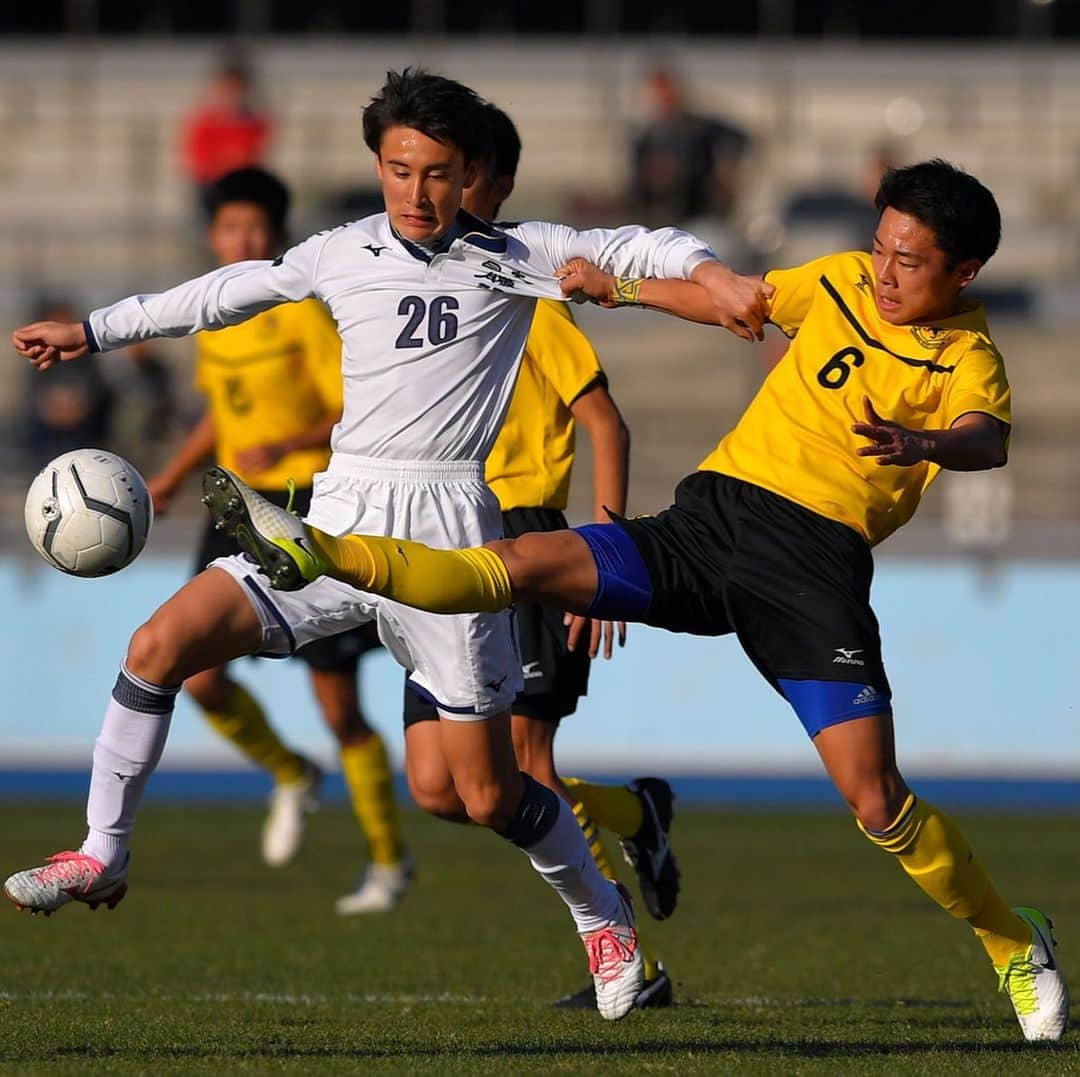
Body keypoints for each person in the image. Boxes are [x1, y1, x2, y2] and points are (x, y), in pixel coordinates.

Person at [210, 160, 1069, 1042]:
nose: (884, 271)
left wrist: (919, 438)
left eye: (910, 261)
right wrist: (619, 287)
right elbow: (736, 303)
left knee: (876, 798)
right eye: (882, 246)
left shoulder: (969, 358)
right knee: (519, 560)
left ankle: (1012, 939)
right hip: (712, 519)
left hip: (813, 568)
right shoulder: (841, 278)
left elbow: (984, 440)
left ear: (963, 273)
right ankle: (319, 548)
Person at [6, 68, 767, 1020]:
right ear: (379, 163)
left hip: (452, 544)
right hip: (333, 526)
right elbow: (227, 293)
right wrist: (94, 329)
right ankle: (102, 850)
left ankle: (606, 920)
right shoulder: (341, 251)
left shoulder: (517, 255)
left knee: (489, 796)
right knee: (157, 646)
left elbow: (636, 241)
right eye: (399, 167)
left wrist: (711, 274)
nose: (416, 191)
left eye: (438, 172)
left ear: (471, 175)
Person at [401, 102, 675, 1009]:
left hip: (524, 534)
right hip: (436, 538)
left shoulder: (526, 296)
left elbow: (607, 422)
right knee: (442, 788)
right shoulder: (417, 293)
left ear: (499, 189)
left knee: (529, 765)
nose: (443, 194)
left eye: (463, 176)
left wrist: (602, 561)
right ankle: (640, 813)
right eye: (431, 173)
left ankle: (629, 958)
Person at [145, 166, 411, 913]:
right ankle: (291, 772)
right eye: (232, 228)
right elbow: (223, 414)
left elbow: (350, 409)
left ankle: (389, 862)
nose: (244, 240)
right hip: (234, 507)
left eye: (258, 228)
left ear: (279, 235)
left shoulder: (303, 312)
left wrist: (285, 442)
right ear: (213, 235)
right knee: (196, 675)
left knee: (338, 705)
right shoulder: (215, 317)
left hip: (308, 504)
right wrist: (171, 476)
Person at [180, 57, 274, 210]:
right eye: (228, 88)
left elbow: (252, 154)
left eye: (237, 88)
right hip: (212, 185)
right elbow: (199, 159)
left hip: (242, 185)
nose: (233, 95)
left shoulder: (253, 122)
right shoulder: (205, 121)